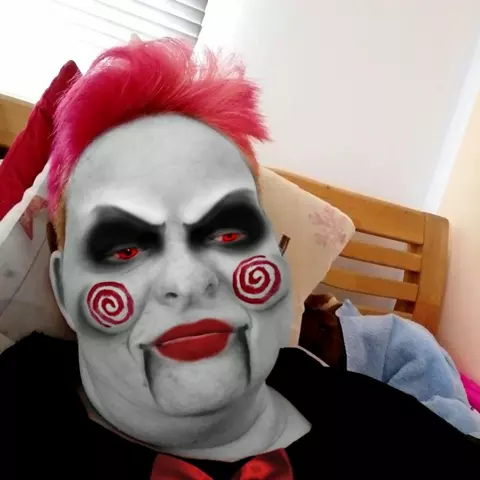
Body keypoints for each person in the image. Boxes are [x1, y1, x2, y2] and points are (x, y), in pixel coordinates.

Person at [1, 39, 478, 480]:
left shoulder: (365, 415)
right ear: (64, 288)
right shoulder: (24, 407)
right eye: (125, 247)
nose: (188, 279)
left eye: (226, 232)